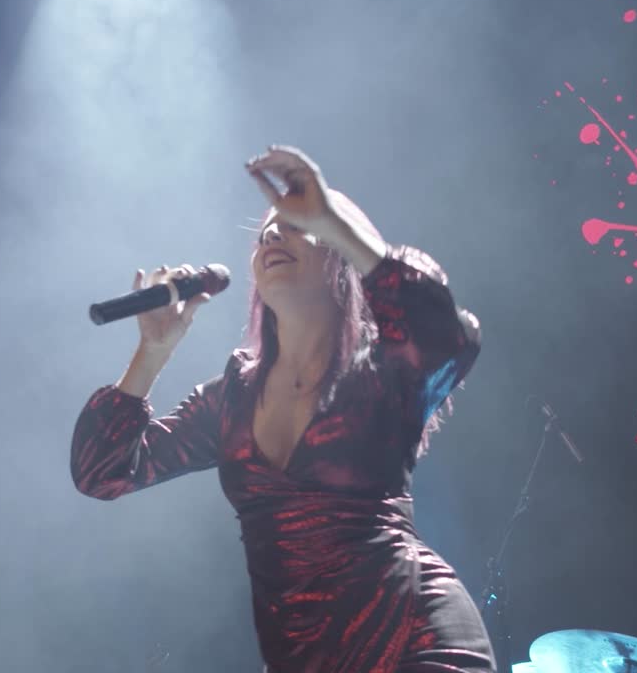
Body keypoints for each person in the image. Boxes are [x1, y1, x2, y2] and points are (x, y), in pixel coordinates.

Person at [71, 145, 494, 673]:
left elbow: (449, 335)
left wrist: (330, 219)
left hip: (413, 637)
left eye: (294, 224)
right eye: (266, 230)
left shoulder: (386, 374)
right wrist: (152, 351)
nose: (272, 234)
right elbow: (102, 472)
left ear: (340, 255)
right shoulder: (231, 398)